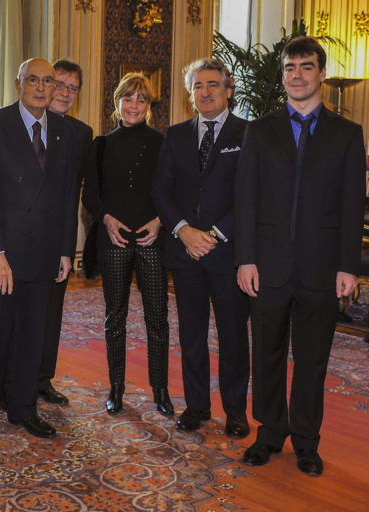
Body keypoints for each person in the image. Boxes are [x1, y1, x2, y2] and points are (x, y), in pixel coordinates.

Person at [236, 36, 365, 476]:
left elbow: (352, 204)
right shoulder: (260, 129)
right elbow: (246, 199)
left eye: (306, 67)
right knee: (266, 354)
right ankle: (270, 434)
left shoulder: (348, 134)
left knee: (312, 359)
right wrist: (246, 258)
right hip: (267, 266)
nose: (296, 75)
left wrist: (349, 265)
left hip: (323, 268)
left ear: (321, 74)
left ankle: (307, 441)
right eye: (290, 68)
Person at [0, 58, 77, 450]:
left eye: (49, 81)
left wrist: (67, 250)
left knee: (34, 338)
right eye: (33, 79)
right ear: (18, 84)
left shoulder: (64, 131)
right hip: (3, 254)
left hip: (45, 254)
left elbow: (67, 196)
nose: (42, 87)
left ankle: (24, 409)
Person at [152, 58, 250, 439]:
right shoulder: (174, 135)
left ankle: (236, 411)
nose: (205, 92)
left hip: (227, 253)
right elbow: (161, 189)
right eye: (197, 86)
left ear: (228, 90)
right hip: (185, 252)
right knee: (191, 334)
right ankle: (196, 406)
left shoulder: (248, 133)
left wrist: (212, 234)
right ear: (189, 93)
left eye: (212, 84)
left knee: (232, 336)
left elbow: (249, 195)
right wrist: (184, 232)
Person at [83, 73, 171, 417]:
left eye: (141, 100)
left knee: (157, 319)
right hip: (114, 240)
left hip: (152, 239)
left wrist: (160, 221)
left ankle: (160, 390)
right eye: (128, 98)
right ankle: (115, 388)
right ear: (116, 101)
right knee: (114, 317)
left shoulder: (163, 143)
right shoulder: (100, 144)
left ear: (148, 107)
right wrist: (106, 219)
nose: (134, 105)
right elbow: (90, 194)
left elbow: (171, 191)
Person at [36, 58, 93, 406]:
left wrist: (69, 249)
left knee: (51, 314)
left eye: (73, 87)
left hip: (58, 238)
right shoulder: (17, 125)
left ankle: (43, 379)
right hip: (21, 238)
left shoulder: (81, 134)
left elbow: (77, 193)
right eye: (59, 84)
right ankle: (12, 380)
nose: (65, 92)